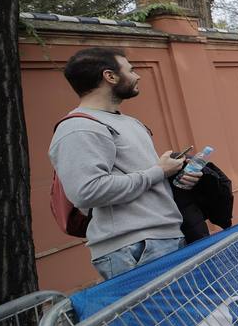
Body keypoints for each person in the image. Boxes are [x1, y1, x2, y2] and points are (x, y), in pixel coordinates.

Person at [48, 47, 194, 280]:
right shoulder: (78, 128)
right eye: (131, 70)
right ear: (110, 76)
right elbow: (87, 191)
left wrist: (173, 174)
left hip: (162, 238)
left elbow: (144, 178)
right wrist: (158, 172)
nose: (137, 76)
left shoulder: (129, 122)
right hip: (134, 248)